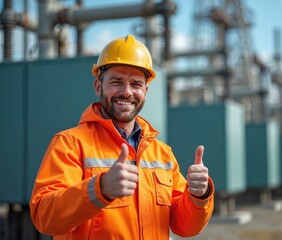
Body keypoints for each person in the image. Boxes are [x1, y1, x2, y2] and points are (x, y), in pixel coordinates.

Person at [29, 34, 214, 240]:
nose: (127, 92)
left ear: (145, 91)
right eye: (117, 82)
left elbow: (184, 227)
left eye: (135, 84)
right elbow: (45, 217)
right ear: (98, 87)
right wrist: (100, 189)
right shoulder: (70, 144)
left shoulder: (162, 154)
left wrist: (198, 196)